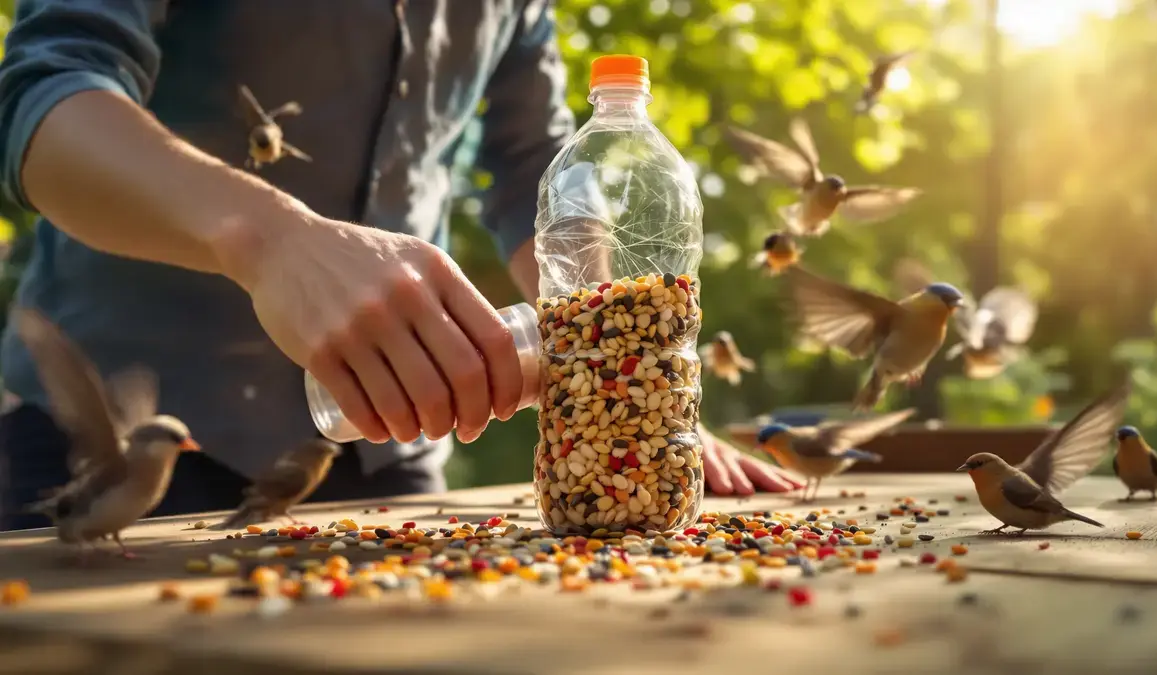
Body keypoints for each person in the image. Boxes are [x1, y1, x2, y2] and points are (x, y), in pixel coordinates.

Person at [0, 1, 801, 531]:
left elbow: (535, 164)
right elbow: (45, 95)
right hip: (114, 451)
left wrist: (629, 388)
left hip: (390, 446)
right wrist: (269, 238)